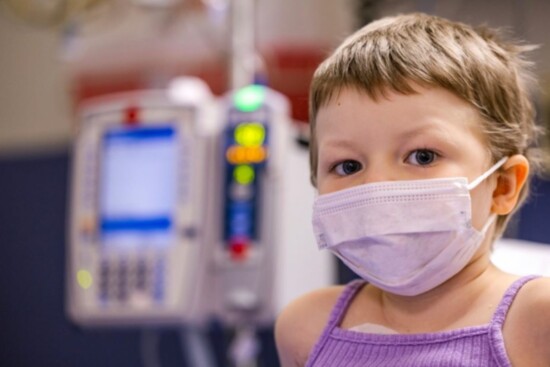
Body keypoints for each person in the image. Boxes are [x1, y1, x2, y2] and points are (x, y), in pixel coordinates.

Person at [275, 12, 550, 367]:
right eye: (348, 166)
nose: (376, 186)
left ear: (502, 185)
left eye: (422, 156)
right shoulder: (305, 328)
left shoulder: (534, 321)